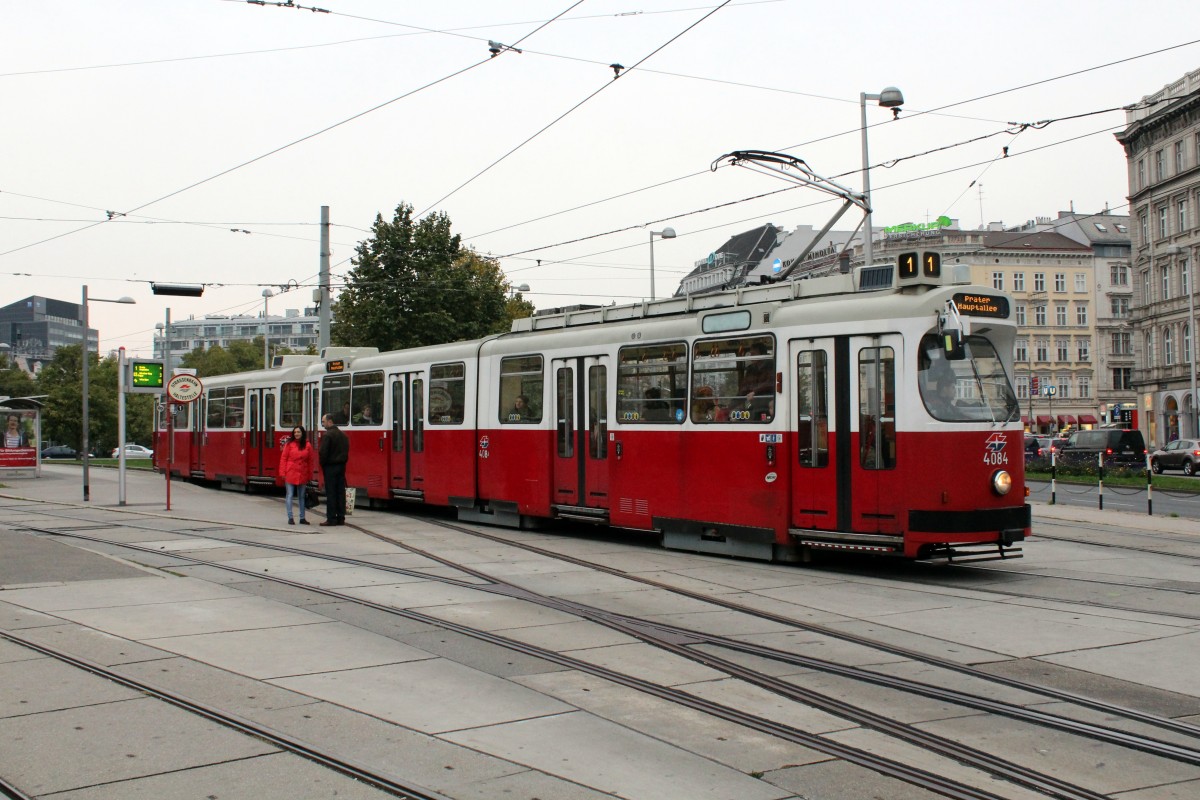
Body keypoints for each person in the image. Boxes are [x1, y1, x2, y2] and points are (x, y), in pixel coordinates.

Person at [279, 425, 318, 526]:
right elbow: (283, 458)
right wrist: (282, 472)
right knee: (290, 495)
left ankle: (302, 518)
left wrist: (310, 474)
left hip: (303, 473)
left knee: (301, 496)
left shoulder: (307, 445)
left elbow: (310, 461)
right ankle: (290, 517)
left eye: (298, 432)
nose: (296, 434)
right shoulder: (289, 444)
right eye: (295, 432)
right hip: (290, 473)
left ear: (302, 433)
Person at [318, 412, 350, 526]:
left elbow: (323, 453)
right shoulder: (343, 435)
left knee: (331, 493)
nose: (322, 424)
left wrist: (323, 465)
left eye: (323, 421)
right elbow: (346, 451)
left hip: (330, 467)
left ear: (329, 421)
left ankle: (331, 518)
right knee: (340, 492)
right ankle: (341, 517)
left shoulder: (327, 435)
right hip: (341, 466)